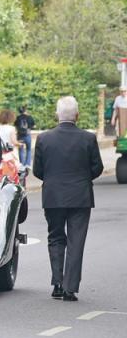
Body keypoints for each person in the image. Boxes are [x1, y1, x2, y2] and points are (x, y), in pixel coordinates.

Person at [33, 96, 104, 302]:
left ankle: (56, 282)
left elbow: (38, 170)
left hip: (53, 195)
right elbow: (97, 167)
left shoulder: (44, 138)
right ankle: (70, 287)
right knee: (76, 241)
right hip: (80, 196)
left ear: (57, 115)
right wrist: (82, 179)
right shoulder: (88, 138)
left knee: (55, 237)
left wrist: (54, 180)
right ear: (78, 116)